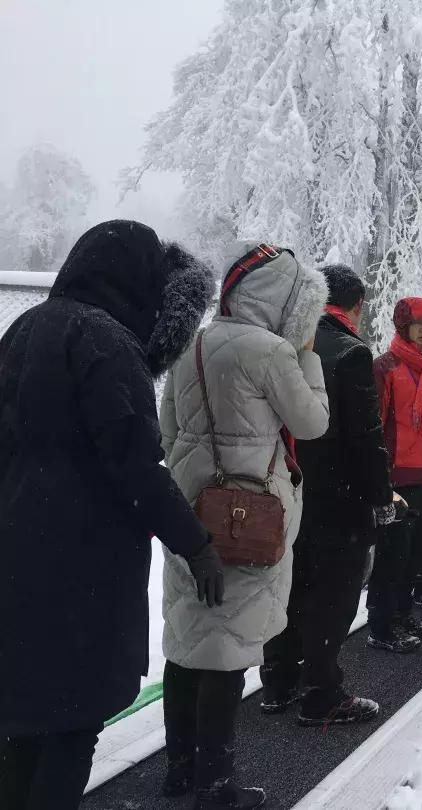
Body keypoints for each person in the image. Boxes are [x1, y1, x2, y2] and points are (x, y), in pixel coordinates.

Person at [0, 221, 222, 810]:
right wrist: (194, 542)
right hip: (84, 560)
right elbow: (136, 464)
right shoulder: (108, 341)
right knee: (75, 719)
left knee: (23, 719)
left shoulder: (24, 329)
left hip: (18, 550)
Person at [159, 242, 330, 809]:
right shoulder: (274, 352)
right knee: (228, 650)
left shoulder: (191, 344)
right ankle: (216, 785)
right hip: (248, 519)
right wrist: (307, 355)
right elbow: (312, 422)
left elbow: (167, 431)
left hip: (190, 509)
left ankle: (180, 770)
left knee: (189, 641)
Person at [260, 265, 393, 725]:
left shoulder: (282, 344)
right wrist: (381, 494)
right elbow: (366, 436)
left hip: (288, 488)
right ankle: (322, 691)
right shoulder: (352, 353)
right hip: (340, 494)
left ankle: (278, 680)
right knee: (333, 595)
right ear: (356, 305)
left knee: (291, 585)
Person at [371, 298, 422, 644]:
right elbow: (375, 425)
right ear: (402, 326)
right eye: (418, 323)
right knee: (392, 558)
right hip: (398, 478)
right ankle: (382, 627)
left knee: (416, 555)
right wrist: (380, 478)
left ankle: (403, 615)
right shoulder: (385, 367)